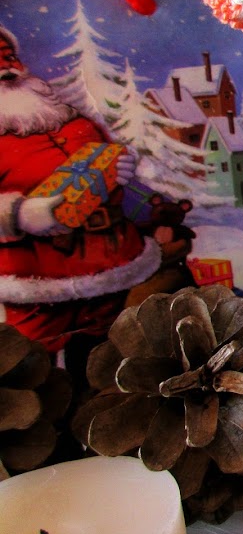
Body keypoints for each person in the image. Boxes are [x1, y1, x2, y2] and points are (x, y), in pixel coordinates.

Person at [0, 23, 160, 360]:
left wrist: (117, 174)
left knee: (113, 356)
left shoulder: (75, 124)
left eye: (9, 59)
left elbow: (105, 174)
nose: (7, 71)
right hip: (36, 281)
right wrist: (18, 215)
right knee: (30, 364)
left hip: (112, 266)